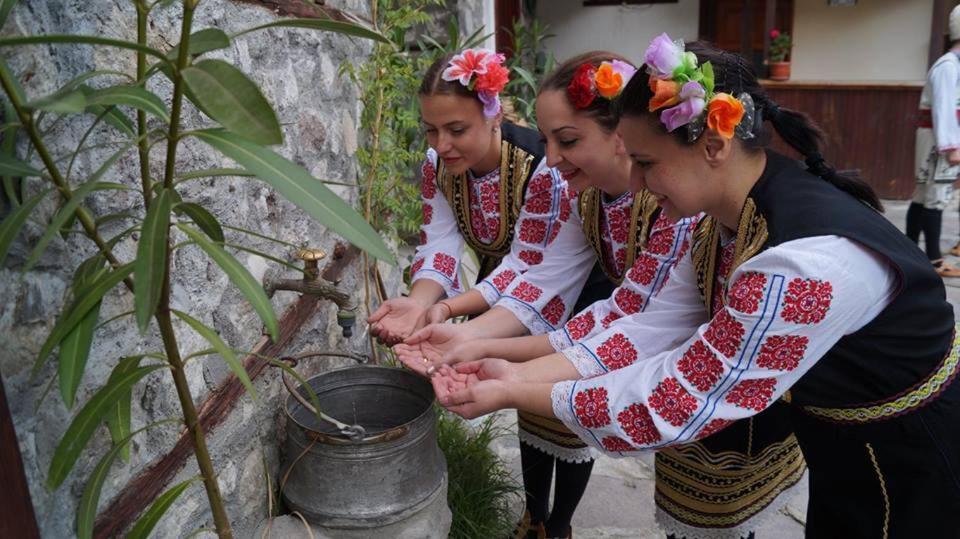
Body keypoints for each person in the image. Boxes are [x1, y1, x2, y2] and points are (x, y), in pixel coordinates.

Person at [431, 36, 960, 537]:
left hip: (917, 453)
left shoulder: (802, 267)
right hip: (840, 439)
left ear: (713, 145)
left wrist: (509, 387)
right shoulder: (716, 222)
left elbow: (681, 395)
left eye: (645, 163)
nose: (634, 184)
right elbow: (646, 322)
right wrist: (508, 374)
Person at [400, 52, 802, 539]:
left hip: (751, 396)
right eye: (549, 140)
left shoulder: (757, 241)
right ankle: (543, 520)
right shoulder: (599, 197)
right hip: (669, 361)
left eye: (567, 140)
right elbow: (586, 297)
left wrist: (508, 376)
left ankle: (558, 522)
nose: (549, 159)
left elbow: (667, 363)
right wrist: (473, 346)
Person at [367, 49, 581, 347]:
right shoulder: (438, 166)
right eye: (431, 130)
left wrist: (446, 310)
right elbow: (439, 243)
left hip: (558, 299)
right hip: (491, 292)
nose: (442, 144)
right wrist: (418, 303)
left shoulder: (542, 168)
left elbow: (526, 267)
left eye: (457, 130)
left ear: (494, 116)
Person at [908, 5, 960, 278]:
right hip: (939, 140)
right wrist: (952, 147)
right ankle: (934, 261)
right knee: (934, 197)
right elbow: (943, 109)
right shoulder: (948, 67)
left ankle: (910, 250)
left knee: (923, 195)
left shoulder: (953, 65)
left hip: (939, 139)